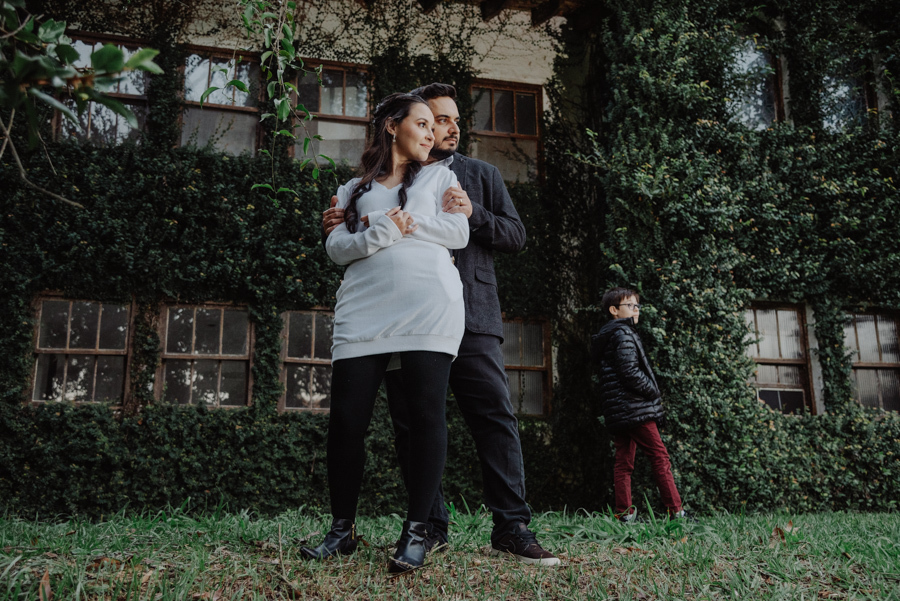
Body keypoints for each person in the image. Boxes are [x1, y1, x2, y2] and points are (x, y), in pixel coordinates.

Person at [322, 83, 559, 566]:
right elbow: (347, 239)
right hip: (389, 312)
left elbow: (515, 234)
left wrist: (474, 213)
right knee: (410, 423)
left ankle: (512, 527)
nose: (445, 129)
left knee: (493, 417)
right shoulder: (365, 184)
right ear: (401, 125)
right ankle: (429, 528)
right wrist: (348, 223)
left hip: (469, 312)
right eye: (433, 120)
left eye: (451, 120)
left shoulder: (476, 173)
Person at [301, 92, 469, 573]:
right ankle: (341, 530)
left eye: (434, 127)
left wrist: (396, 223)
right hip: (363, 310)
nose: (432, 134)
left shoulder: (441, 177)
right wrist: (383, 230)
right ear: (392, 126)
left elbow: (457, 234)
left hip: (428, 307)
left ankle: (416, 532)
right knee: (346, 421)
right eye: (423, 123)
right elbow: (337, 249)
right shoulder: (352, 188)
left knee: (425, 418)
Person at [590, 287, 686, 523]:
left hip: (620, 410)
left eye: (637, 306)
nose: (636, 310)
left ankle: (624, 514)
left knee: (623, 462)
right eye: (630, 305)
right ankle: (676, 512)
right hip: (635, 409)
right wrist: (653, 390)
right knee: (660, 457)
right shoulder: (623, 333)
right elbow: (630, 372)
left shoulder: (610, 334)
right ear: (614, 310)